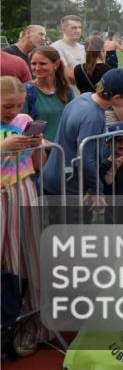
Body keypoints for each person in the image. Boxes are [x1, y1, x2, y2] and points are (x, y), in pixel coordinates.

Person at [42, 69, 123, 214]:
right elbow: (86, 158)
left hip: (54, 177)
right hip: (69, 186)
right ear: (116, 98)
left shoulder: (83, 97)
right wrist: (96, 188)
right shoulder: (93, 117)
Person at [0, 76, 48, 359]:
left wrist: (37, 144)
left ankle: (29, 326)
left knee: (28, 258)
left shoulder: (23, 119)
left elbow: (38, 163)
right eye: (7, 105)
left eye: (17, 105)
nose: (13, 111)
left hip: (23, 190)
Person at [23, 47, 74, 146]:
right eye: (33, 63)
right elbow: (19, 126)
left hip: (62, 152)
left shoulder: (66, 90)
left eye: (42, 64)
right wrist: (49, 145)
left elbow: (73, 121)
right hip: (38, 153)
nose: (37, 68)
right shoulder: (26, 91)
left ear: (56, 64)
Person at [50, 15, 85, 91]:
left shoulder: (83, 48)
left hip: (82, 95)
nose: (78, 30)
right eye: (74, 28)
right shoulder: (55, 47)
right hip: (64, 94)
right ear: (63, 29)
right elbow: (69, 75)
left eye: (80, 27)